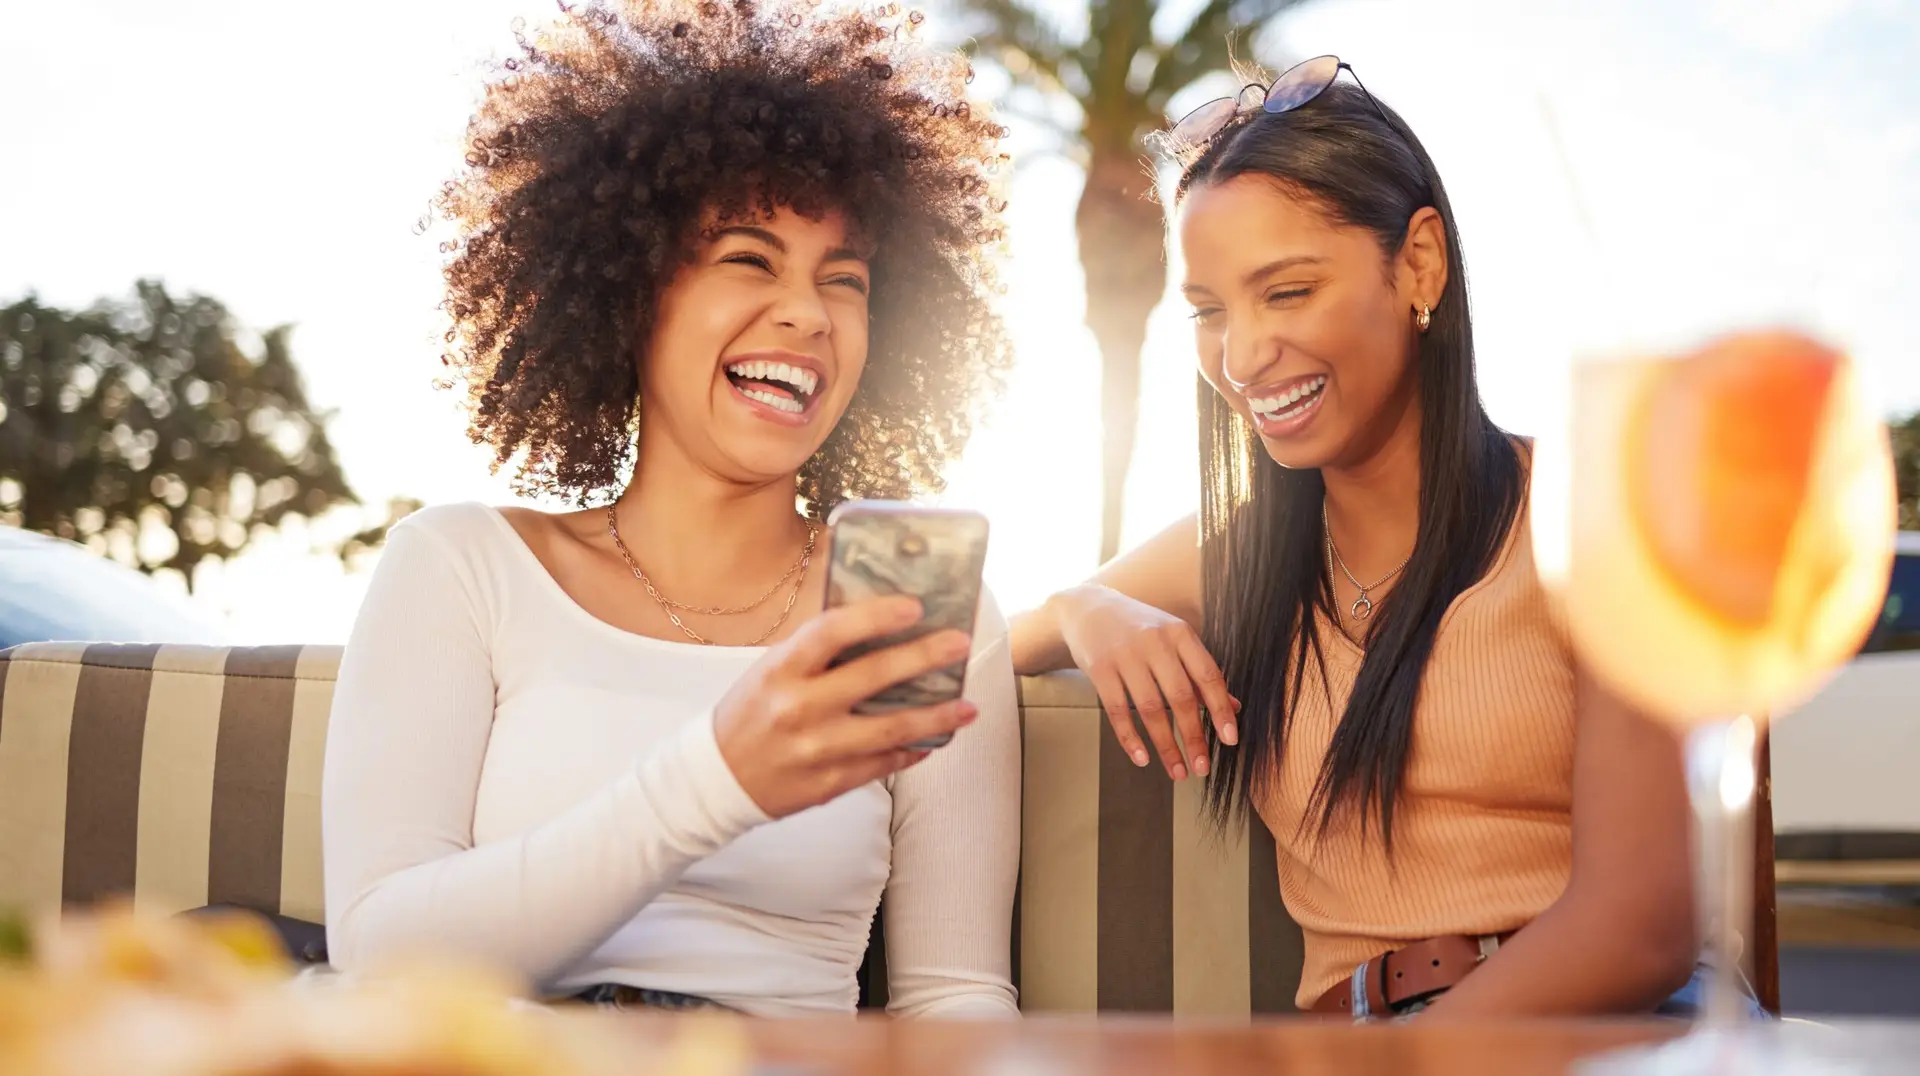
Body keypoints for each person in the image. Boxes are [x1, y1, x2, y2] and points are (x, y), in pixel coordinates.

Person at [322, 0, 1019, 1019]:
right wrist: (717, 779)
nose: (807, 313)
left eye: (846, 280)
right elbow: (380, 948)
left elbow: (952, 993)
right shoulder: (461, 566)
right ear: (629, 287)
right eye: (748, 258)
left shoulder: (916, 611)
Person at [1011, 58, 1720, 1020]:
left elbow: (1640, 924)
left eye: (1288, 291)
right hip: (1345, 1037)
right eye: (1211, 312)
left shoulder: (1593, 511)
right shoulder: (1241, 555)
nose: (1243, 356)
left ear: (1419, 263)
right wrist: (1085, 606)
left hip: (1580, 1038)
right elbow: (982, 651)